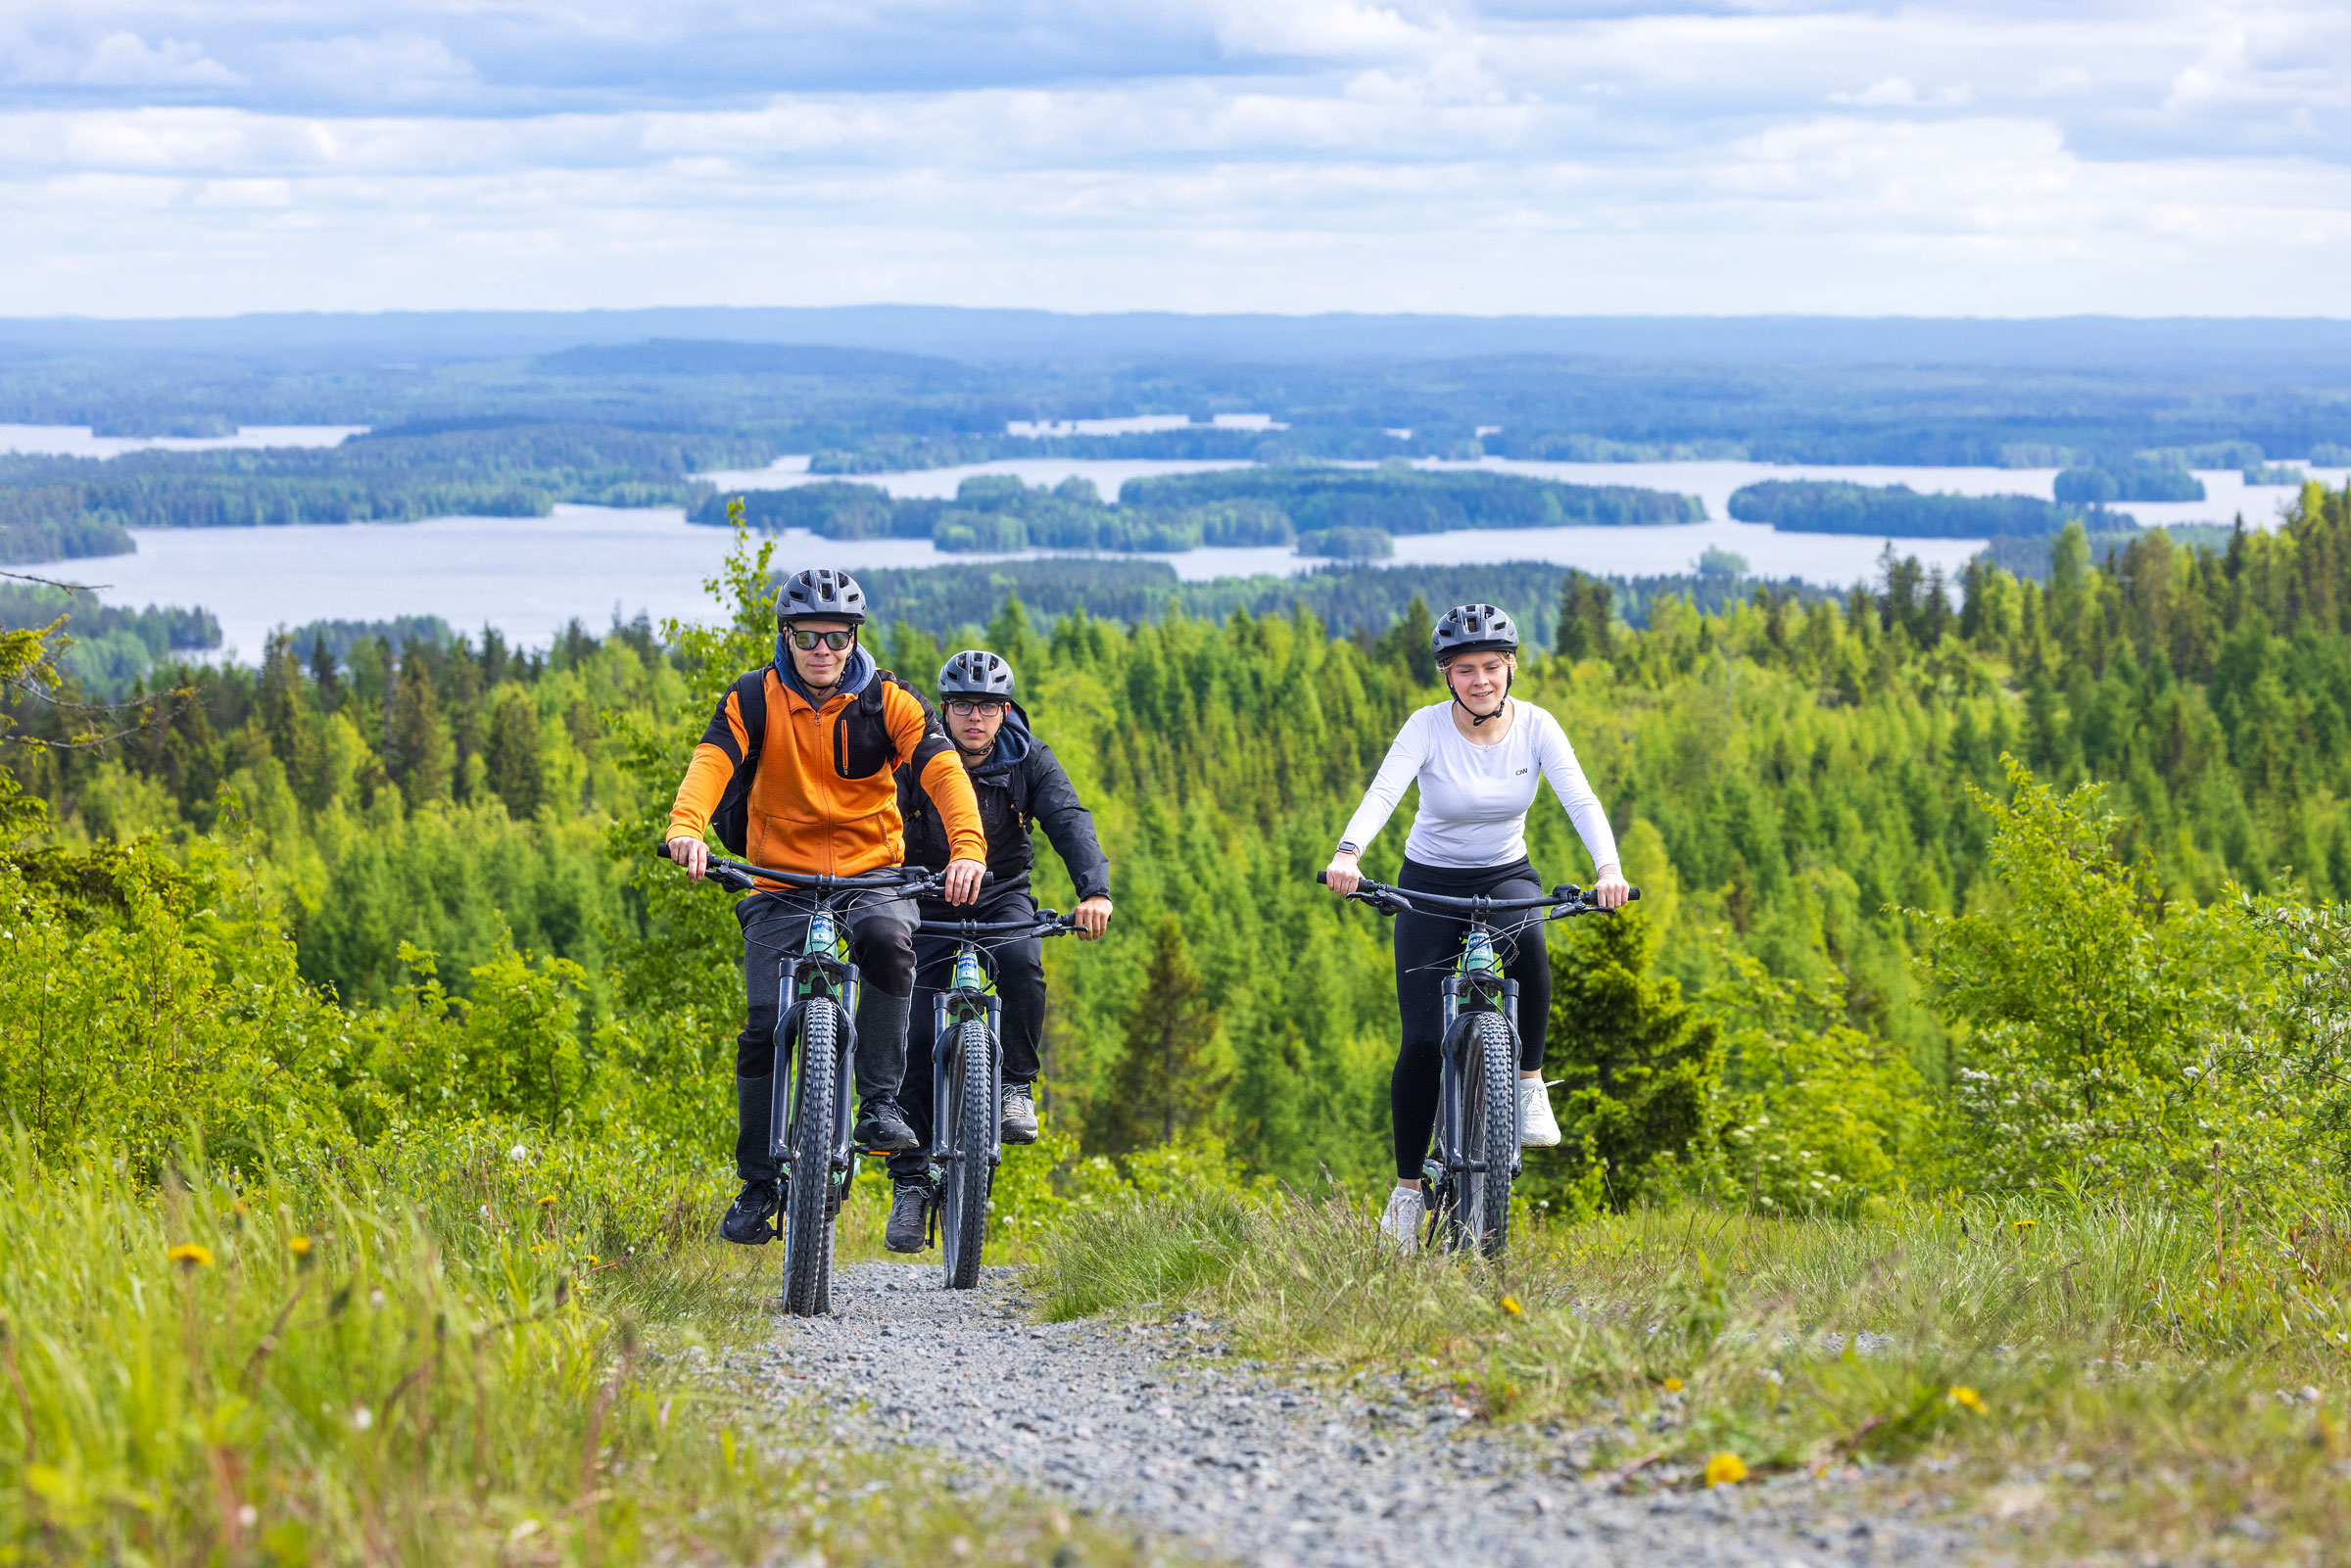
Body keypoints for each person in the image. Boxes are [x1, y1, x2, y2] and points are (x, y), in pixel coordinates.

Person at [664, 567, 988, 1246]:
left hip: (872, 873)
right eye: (808, 636)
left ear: (852, 639)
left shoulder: (889, 700)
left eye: (836, 637)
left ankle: (878, 1102)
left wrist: (967, 847)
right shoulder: (752, 698)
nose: (822, 650)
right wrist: (686, 829)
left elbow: (943, 770)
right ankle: (757, 1182)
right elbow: (711, 762)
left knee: (888, 941)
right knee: (760, 1023)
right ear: (786, 635)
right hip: (778, 876)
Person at [1322, 601, 1631, 1250]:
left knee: (1534, 944)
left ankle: (1528, 1083)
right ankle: (1408, 1194)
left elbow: (1580, 797)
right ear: (1447, 676)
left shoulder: (1538, 727)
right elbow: (1384, 792)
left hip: (1504, 873)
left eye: (1492, 666)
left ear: (1510, 668)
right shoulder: (1426, 727)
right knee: (1421, 1042)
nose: (1481, 680)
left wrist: (1608, 868)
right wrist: (1349, 853)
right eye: (1465, 669)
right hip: (1428, 881)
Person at [884, 648, 1113, 1253]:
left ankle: (1014, 1084)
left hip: (1000, 894)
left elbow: (1069, 820)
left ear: (1004, 710)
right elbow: (877, 817)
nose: (975, 719)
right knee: (908, 1026)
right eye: (962, 706)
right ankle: (911, 1183)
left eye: (987, 707)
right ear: (945, 709)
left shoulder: (1028, 758)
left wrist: (1095, 892)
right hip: (926, 897)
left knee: (1021, 963)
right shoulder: (918, 754)